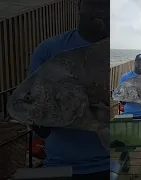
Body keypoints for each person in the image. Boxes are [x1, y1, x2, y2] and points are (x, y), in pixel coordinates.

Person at [28, 0, 109, 179]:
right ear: (78, 4)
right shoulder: (48, 51)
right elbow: (39, 123)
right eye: (94, 2)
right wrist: (40, 116)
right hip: (62, 167)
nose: (102, 8)